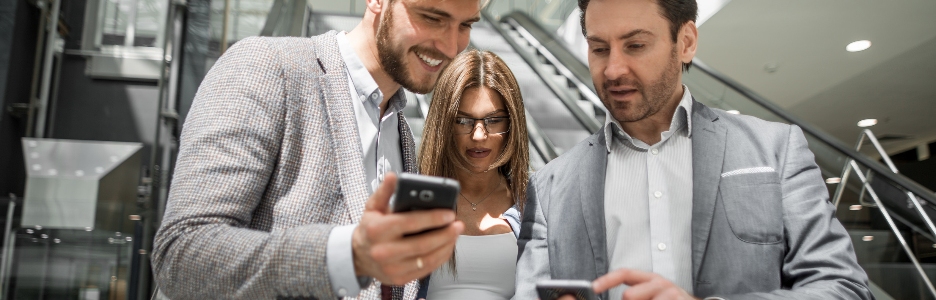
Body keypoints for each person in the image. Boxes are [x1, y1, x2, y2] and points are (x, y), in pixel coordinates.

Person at [514, 0, 873, 299]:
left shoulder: (775, 150)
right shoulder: (548, 187)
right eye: (599, 49)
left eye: (636, 45)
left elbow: (844, 287)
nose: (613, 69)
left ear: (685, 41)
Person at [151, 0, 484, 299]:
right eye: (431, 17)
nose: (451, 46)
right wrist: (346, 256)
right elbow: (181, 254)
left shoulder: (400, 131)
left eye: (466, 25)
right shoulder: (268, 66)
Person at [417, 50, 529, 299]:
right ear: (444, 124)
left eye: (493, 120)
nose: (479, 135)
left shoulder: (536, 206)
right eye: (463, 121)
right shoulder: (413, 204)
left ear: (512, 124)